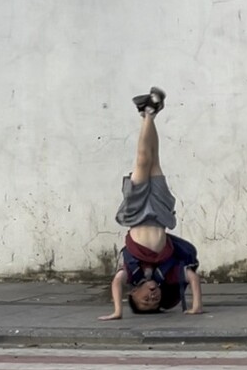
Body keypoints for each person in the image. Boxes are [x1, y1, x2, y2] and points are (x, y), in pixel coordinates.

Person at [98, 88, 203, 320]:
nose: (151, 297)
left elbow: (116, 284)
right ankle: (150, 115)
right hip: (159, 212)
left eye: (145, 300)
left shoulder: (129, 274)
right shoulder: (169, 275)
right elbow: (193, 278)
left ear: (133, 293)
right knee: (154, 159)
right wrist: (196, 305)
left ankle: (147, 112)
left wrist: (117, 311)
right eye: (155, 301)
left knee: (142, 160)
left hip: (136, 214)